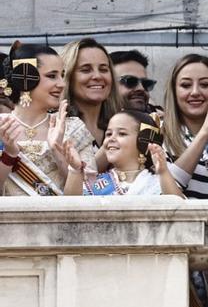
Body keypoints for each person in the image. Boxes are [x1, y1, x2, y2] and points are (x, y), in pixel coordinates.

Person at [0, 42, 96, 196]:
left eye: (62, 75)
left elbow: (88, 196)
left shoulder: (73, 128)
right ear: (25, 78)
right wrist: (9, 155)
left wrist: (59, 153)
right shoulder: (2, 126)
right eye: (52, 76)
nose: (62, 84)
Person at [161, 53, 208, 199]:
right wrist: (205, 131)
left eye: (204, 84)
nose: (195, 92)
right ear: (174, 91)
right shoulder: (159, 138)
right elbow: (170, 192)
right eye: (185, 85)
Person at [74, 110, 182, 197]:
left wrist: (163, 172)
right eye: (108, 134)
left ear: (143, 142)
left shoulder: (157, 183)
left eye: (122, 134)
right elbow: (72, 210)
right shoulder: (96, 184)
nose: (111, 138)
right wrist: (73, 169)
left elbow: (179, 212)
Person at [61, 38, 121, 145]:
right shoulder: (56, 128)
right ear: (68, 77)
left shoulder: (123, 125)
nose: (97, 76)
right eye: (86, 70)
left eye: (103, 69)